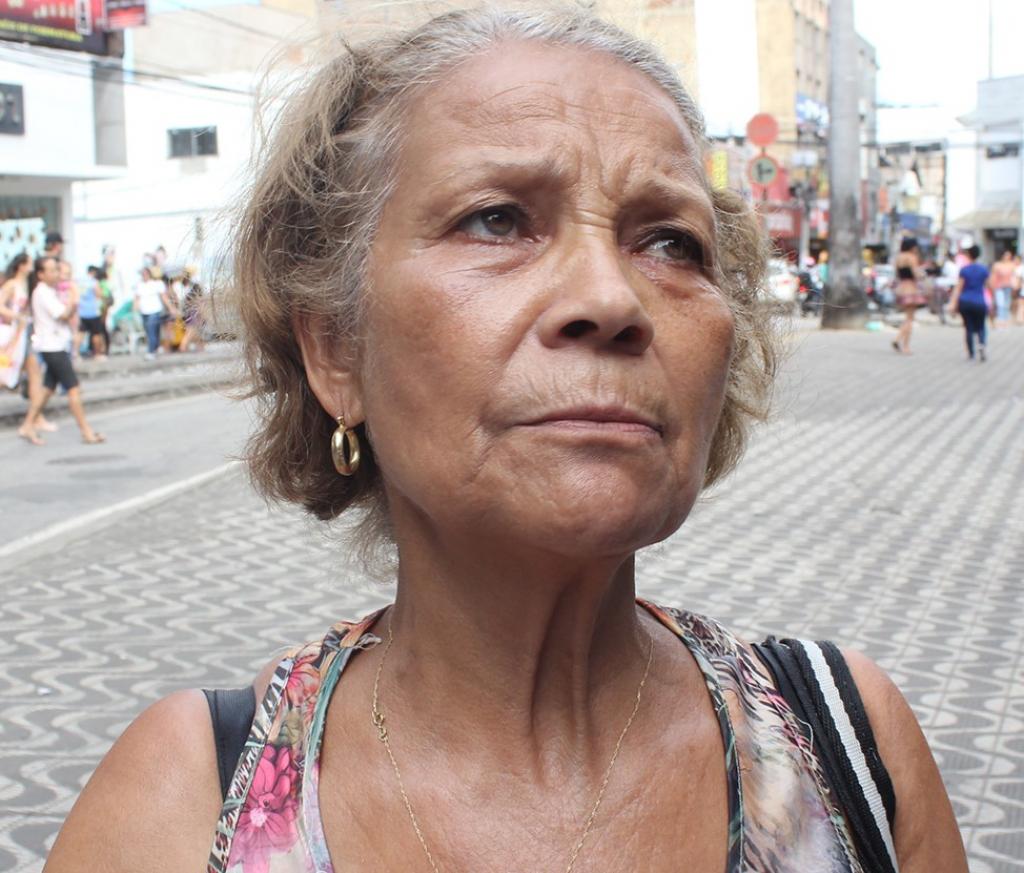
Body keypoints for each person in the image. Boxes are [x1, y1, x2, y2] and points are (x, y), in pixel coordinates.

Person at [44, 7, 967, 873]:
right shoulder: (184, 802)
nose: (611, 299)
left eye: (671, 243)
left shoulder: (852, 746)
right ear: (335, 348)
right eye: (497, 220)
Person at [19, 256, 104, 444]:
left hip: (56, 345)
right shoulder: (42, 292)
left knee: (47, 389)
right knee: (73, 389)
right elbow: (63, 315)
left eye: (57, 270)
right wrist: (74, 297)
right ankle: (86, 431)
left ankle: (27, 425)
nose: (56, 274)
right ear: (41, 274)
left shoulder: (50, 291)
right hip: (52, 347)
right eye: (52, 270)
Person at [2, 254, 58, 442]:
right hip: (11, 335)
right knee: (6, 374)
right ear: (21, 266)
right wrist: (17, 317)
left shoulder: (27, 285)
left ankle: (36, 417)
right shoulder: (11, 285)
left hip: (23, 335)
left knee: (35, 374)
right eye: (29, 263)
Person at [948, 244, 991, 361]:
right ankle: (981, 344)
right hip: (979, 301)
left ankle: (971, 353)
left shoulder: (964, 270)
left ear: (968, 255)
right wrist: (993, 304)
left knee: (968, 328)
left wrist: (953, 303)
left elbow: (958, 288)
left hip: (965, 301)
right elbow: (989, 287)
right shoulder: (983, 269)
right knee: (981, 326)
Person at [892, 238, 927, 354]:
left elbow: (897, 274)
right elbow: (916, 274)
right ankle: (905, 346)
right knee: (910, 319)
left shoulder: (898, 257)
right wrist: (923, 275)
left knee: (907, 318)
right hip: (911, 288)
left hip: (901, 288)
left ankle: (897, 339)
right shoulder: (912, 257)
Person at [134, 266, 174, 359]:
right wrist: (135, 308)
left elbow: (164, 297)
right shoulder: (139, 285)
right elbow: (136, 298)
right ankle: (155, 347)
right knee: (150, 332)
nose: (144, 275)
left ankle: (151, 352)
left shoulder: (157, 284)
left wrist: (171, 308)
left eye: (145, 273)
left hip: (155, 311)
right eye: (142, 274)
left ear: (149, 274)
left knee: (152, 330)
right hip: (144, 312)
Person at [77, 266, 108, 359]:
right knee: (96, 334)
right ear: (93, 272)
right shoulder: (94, 282)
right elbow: (99, 295)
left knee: (80, 334)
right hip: (93, 312)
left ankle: (75, 354)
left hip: (82, 312)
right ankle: (97, 354)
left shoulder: (80, 282)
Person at [989, 249, 1016, 325]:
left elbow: (1014, 276)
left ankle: (1005, 318)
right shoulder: (997, 265)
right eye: (1006, 255)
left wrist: (1015, 285)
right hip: (999, 287)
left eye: (1009, 255)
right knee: (1000, 302)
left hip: (1008, 287)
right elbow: (993, 276)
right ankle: (1001, 318)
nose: (1007, 257)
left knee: (1007, 303)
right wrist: (992, 286)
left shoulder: (1012, 265)